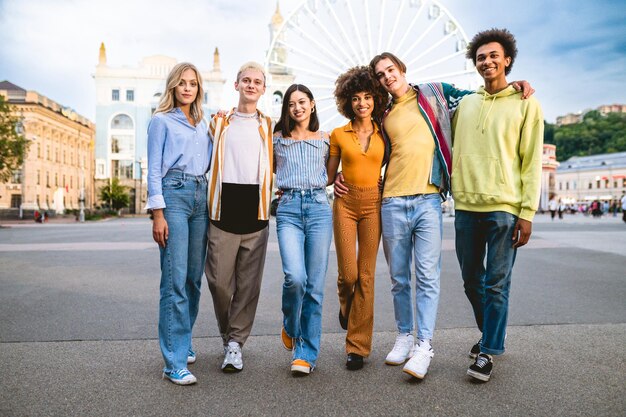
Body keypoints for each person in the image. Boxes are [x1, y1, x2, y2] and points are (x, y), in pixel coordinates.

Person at [334, 52, 532, 380]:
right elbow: (366, 150)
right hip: (392, 200)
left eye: (390, 70)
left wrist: (513, 86)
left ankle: (424, 345)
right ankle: (404, 336)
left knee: (427, 276)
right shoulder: (383, 112)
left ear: (401, 69)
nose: (387, 77)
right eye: (380, 75)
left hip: (428, 198)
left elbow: (480, 97)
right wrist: (344, 173)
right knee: (399, 278)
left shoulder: (434, 93)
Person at [452, 28, 544, 382]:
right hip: (466, 206)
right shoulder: (465, 104)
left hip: (505, 208)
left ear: (507, 60)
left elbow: (531, 160)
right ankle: (493, 334)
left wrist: (527, 213)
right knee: (471, 281)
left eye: (493, 56)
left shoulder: (526, 103)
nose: (486, 62)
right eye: (480, 58)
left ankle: (487, 351)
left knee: (496, 283)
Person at [205, 62, 273, 373]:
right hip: (223, 210)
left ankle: (235, 343)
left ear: (263, 88)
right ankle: (227, 333)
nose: (251, 85)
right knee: (219, 282)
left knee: (248, 284)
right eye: (245, 80)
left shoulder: (271, 126)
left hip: (255, 212)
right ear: (236, 85)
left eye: (257, 81)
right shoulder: (218, 123)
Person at [146, 62, 211, 385]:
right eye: (182, 83)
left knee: (193, 280)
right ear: (172, 86)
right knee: (174, 280)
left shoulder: (203, 122)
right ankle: (173, 361)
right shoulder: (160, 122)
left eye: (193, 84)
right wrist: (157, 213)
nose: (188, 88)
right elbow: (154, 169)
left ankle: (182, 342)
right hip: (173, 195)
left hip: (202, 195)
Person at [326, 66, 387, 370]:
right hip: (345, 204)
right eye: (355, 98)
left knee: (366, 276)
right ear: (347, 101)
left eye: (367, 97)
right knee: (348, 275)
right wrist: (335, 176)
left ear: (376, 98)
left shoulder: (383, 133)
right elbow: (327, 174)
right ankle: (344, 306)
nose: (362, 103)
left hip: (373, 205)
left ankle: (357, 347)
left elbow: (396, 165)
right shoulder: (338, 134)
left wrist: (385, 184)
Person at [274, 84, 333, 376]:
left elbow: (333, 175)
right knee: (295, 277)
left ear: (312, 104)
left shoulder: (325, 140)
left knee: (315, 287)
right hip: (288, 209)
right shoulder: (276, 140)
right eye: (291, 104)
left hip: (320, 209)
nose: (297, 108)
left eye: (302, 102)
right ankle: (290, 324)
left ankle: (305, 353)